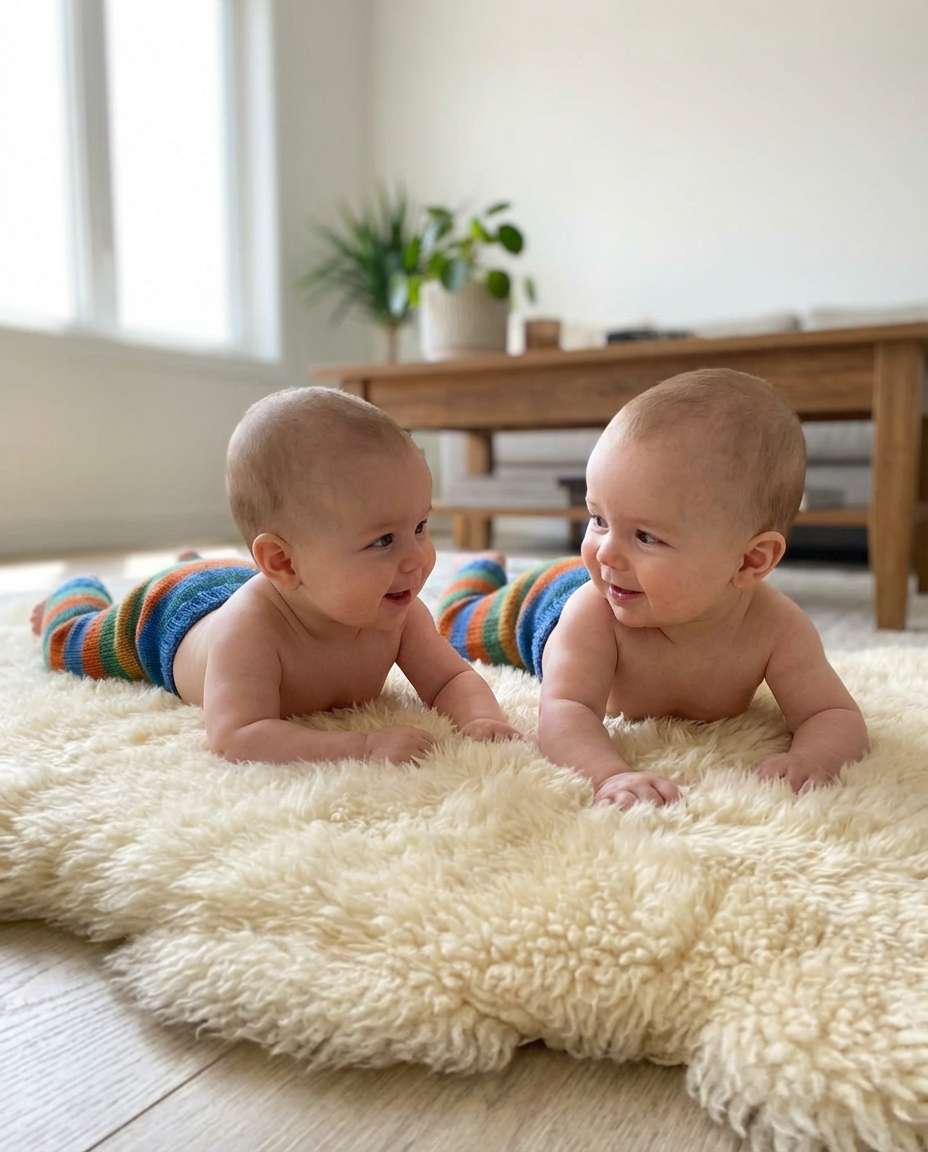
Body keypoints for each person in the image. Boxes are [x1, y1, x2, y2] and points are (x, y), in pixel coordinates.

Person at [437, 368, 869, 809]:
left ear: (750, 560)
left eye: (646, 536)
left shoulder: (777, 628)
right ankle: (478, 569)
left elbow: (833, 714)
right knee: (454, 626)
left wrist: (813, 757)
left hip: (615, 591)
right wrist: (609, 774)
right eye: (598, 519)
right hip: (542, 603)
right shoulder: (591, 614)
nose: (606, 552)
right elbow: (565, 711)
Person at [33, 387, 521, 764]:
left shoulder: (396, 611)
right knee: (70, 644)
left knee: (220, 572)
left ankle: (192, 557)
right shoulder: (249, 634)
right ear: (284, 563)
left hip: (245, 575)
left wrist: (480, 718)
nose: (417, 558)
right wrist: (364, 745)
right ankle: (72, 593)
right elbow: (236, 736)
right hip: (169, 613)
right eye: (383, 541)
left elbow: (450, 678)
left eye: (419, 526)